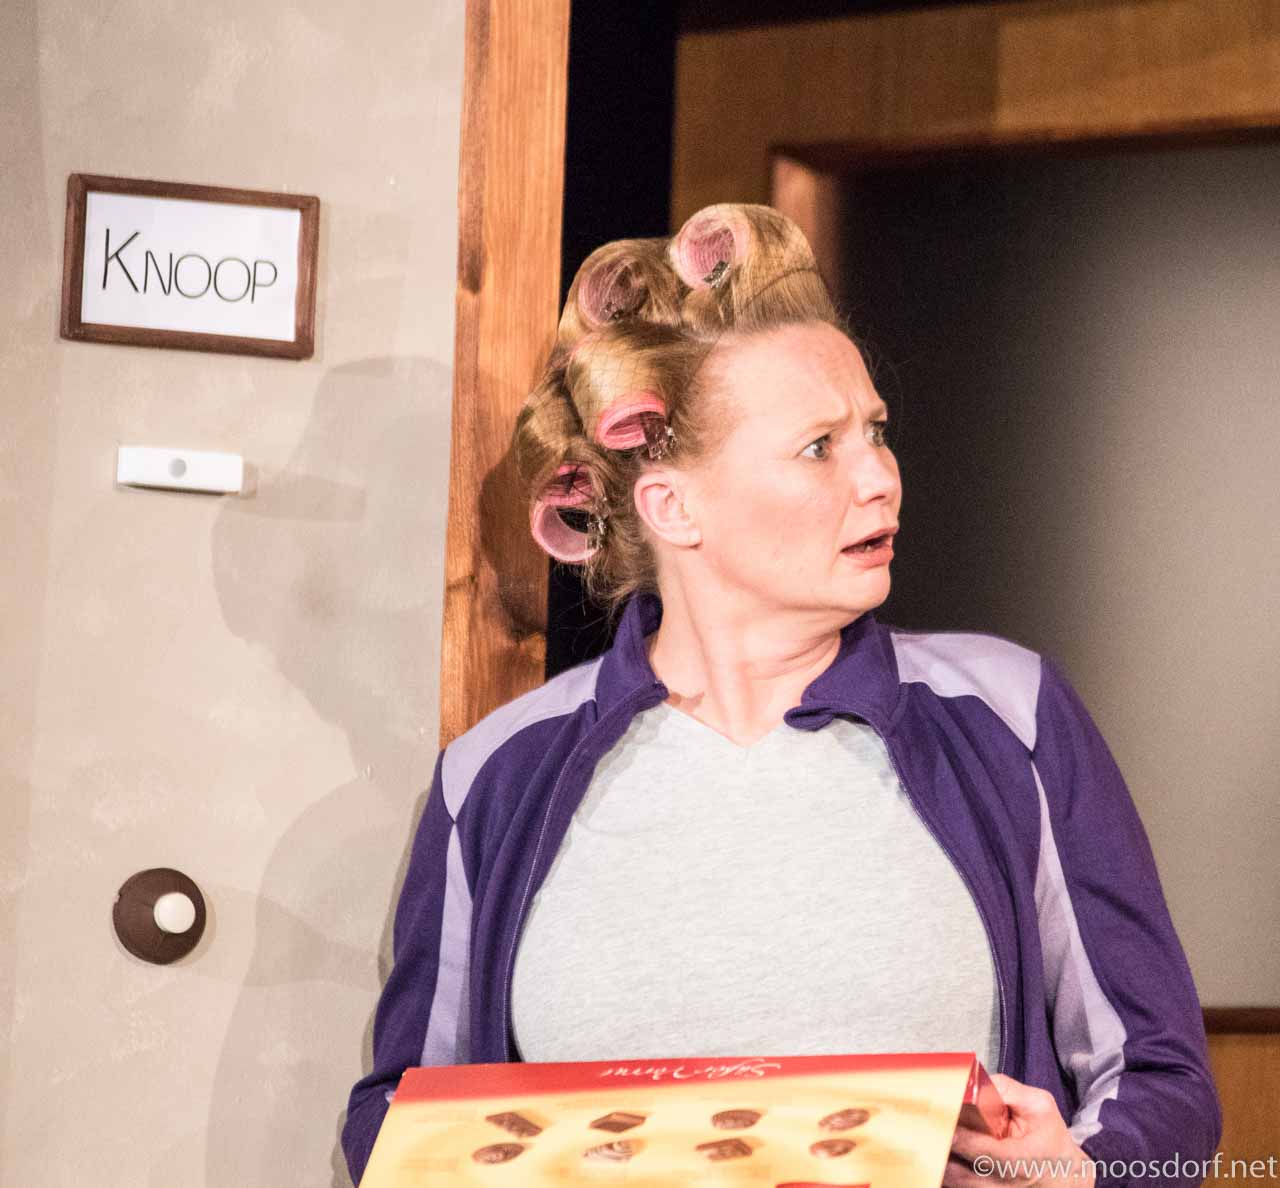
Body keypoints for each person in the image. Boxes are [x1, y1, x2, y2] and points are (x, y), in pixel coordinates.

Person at [340, 203, 1221, 1187]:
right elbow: (403, 1117)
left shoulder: (1008, 716)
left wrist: (1083, 1175)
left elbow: (1162, 1085)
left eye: (875, 432)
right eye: (819, 447)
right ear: (673, 506)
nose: (879, 478)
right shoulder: (497, 776)